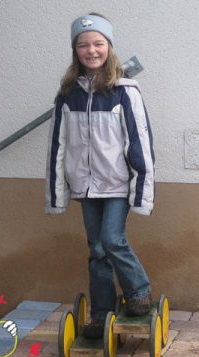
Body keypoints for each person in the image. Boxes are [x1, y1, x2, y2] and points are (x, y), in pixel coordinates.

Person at [45, 13, 154, 338]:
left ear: (109, 46)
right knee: (96, 249)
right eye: (83, 45)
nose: (91, 50)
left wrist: (141, 191)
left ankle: (139, 293)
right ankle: (102, 311)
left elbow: (140, 143)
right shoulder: (67, 95)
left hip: (117, 185)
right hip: (85, 187)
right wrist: (56, 194)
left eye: (98, 44)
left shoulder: (123, 91)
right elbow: (57, 144)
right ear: (75, 51)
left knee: (112, 239)